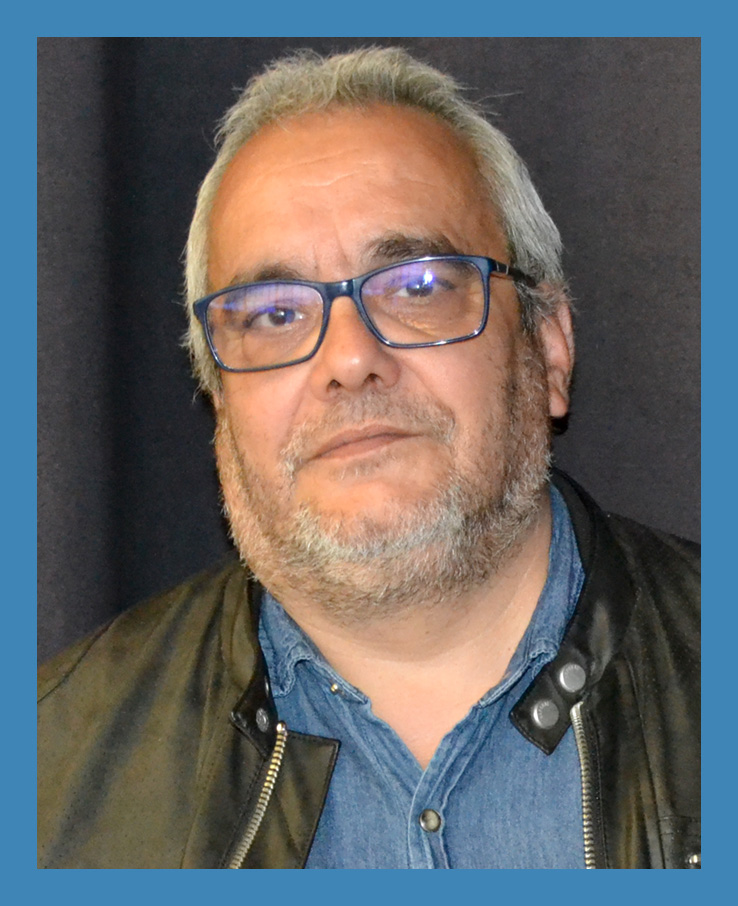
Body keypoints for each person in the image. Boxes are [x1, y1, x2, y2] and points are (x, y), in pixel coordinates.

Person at [37, 47, 700, 869]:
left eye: (418, 286)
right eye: (274, 313)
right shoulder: (47, 784)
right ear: (218, 402)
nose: (349, 360)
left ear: (549, 350)